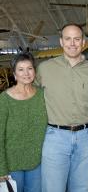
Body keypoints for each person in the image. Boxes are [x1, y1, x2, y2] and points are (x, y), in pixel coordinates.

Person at [35, 23, 88, 192]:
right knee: (53, 188)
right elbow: (30, 97)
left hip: (85, 137)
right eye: (68, 39)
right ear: (61, 42)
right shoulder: (45, 68)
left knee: (81, 188)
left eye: (77, 39)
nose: (72, 43)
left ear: (84, 42)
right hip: (55, 138)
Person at [0, 52, 47, 192]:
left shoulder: (42, 95)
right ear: (14, 74)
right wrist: (1, 168)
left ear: (34, 71)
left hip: (37, 162)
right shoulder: (4, 99)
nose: (26, 73)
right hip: (12, 164)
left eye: (30, 68)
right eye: (21, 69)